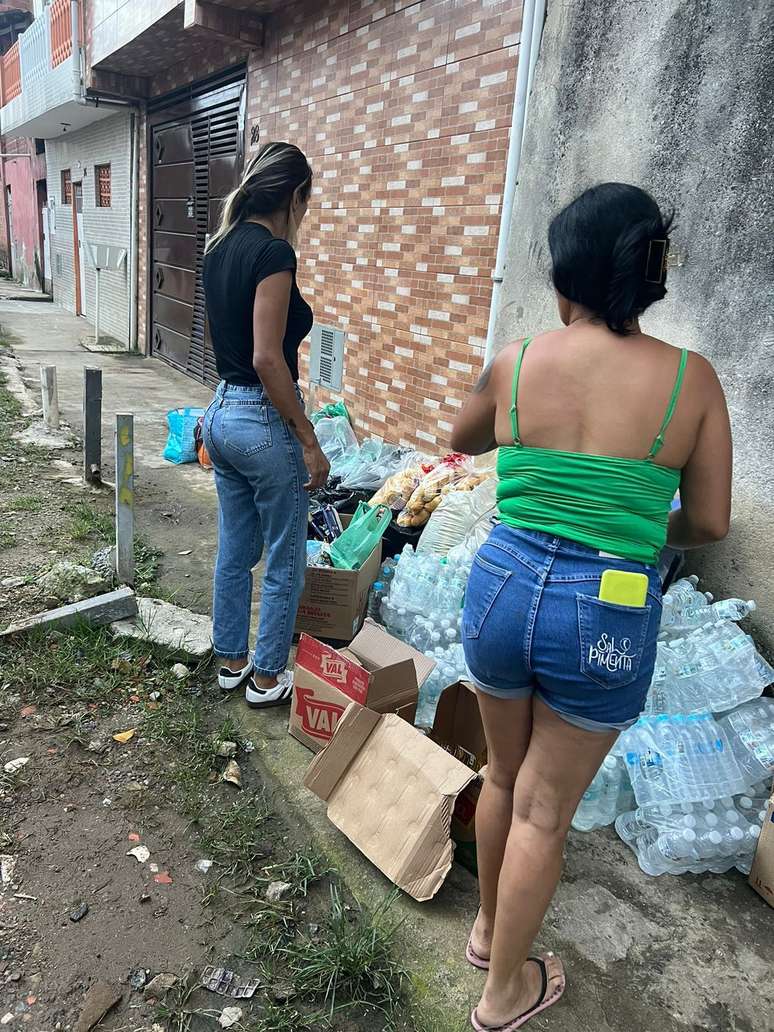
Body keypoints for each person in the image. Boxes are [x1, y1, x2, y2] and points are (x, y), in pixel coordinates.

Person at [451, 182, 732, 1031]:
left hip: (499, 581)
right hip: (605, 608)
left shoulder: (518, 359)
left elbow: (465, 438)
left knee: (503, 775)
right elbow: (711, 521)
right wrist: (633, 510)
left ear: (565, 278)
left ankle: (491, 929)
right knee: (546, 806)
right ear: (649, 279)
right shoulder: (694, 380)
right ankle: (505, 992)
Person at [202, 142, 330, 709]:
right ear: (296, 195)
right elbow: (267, 358)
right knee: (284, 556)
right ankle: (267, 676)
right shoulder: (273, 254)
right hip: (260, 415)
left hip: (222, 413)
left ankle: (231, 661)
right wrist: (308, 438)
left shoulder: (219, 246)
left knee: (235, 549)